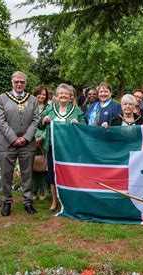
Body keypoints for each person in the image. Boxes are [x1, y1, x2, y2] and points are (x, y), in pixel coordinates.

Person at [0, 71, 39, 216]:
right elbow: (1, 121)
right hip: (7, 143)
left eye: (22, 82)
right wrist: (13, 138)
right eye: (16, 82)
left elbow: (35, 121)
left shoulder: (33, 99)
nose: (19, 84)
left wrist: (26, 138)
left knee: (27, 175)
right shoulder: (2, 98)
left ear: (25, 83)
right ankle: (7, 202)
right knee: (6, 174)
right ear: (12, 82)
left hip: (27, 144)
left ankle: (28, 202)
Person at [39, 83, 86, 211]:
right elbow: (40, 125)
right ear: (56, 96)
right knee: (52, 174)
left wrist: (78, 123)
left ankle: (70, 199)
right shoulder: (50, 109)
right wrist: (44, 120)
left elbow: (84, 126)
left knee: (70, 173)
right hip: (53, 147)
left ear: (71, 97)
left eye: (66, 94)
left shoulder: (76, 110)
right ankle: (54, 201)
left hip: (70, 149)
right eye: (61, 94)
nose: (63, 96)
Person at [32, 85, 50, 201]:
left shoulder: (49, 108)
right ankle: (33, 190)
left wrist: (42, 138)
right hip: (31, 140)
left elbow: (49, 125)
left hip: (44, 139)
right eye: (39, 93)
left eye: (44, 94)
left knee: (43, 166)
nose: (41, 96)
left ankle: (43, 189)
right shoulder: (29, 107)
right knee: (32, 166)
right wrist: (32, 138)